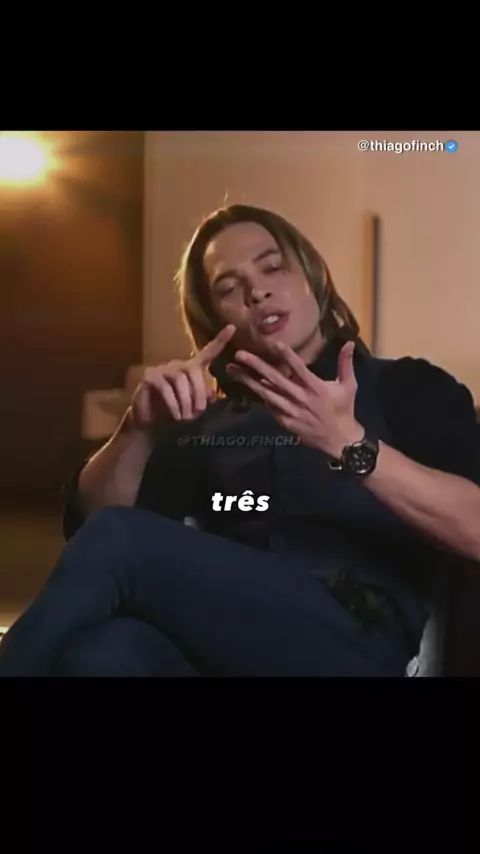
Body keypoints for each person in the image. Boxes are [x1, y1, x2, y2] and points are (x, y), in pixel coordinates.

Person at [1, 203, 480, 677]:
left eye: (273, 267)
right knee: (102, 651)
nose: (257, 291)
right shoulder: (209, 424)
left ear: (313, 277)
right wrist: (138, 431)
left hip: (351, 639)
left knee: (119, 542)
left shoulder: (406, 386)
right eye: (228, 288)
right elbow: (91, 530)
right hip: (229, 642)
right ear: (217, 322)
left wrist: (347, 442)